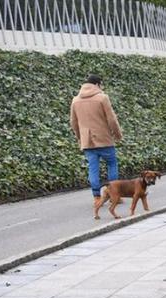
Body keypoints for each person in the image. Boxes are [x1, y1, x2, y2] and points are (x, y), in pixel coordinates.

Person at [70, 74, 124, 219]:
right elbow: (112, 119)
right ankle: (114, 195)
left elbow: (73, 122)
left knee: (93, 168)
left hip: (87, 141)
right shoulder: (102, 98)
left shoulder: (75, 100)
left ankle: (96, 197)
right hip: (104, 139)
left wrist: (80, 137)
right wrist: (118, 135)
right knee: (112, 164)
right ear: (98, 84)